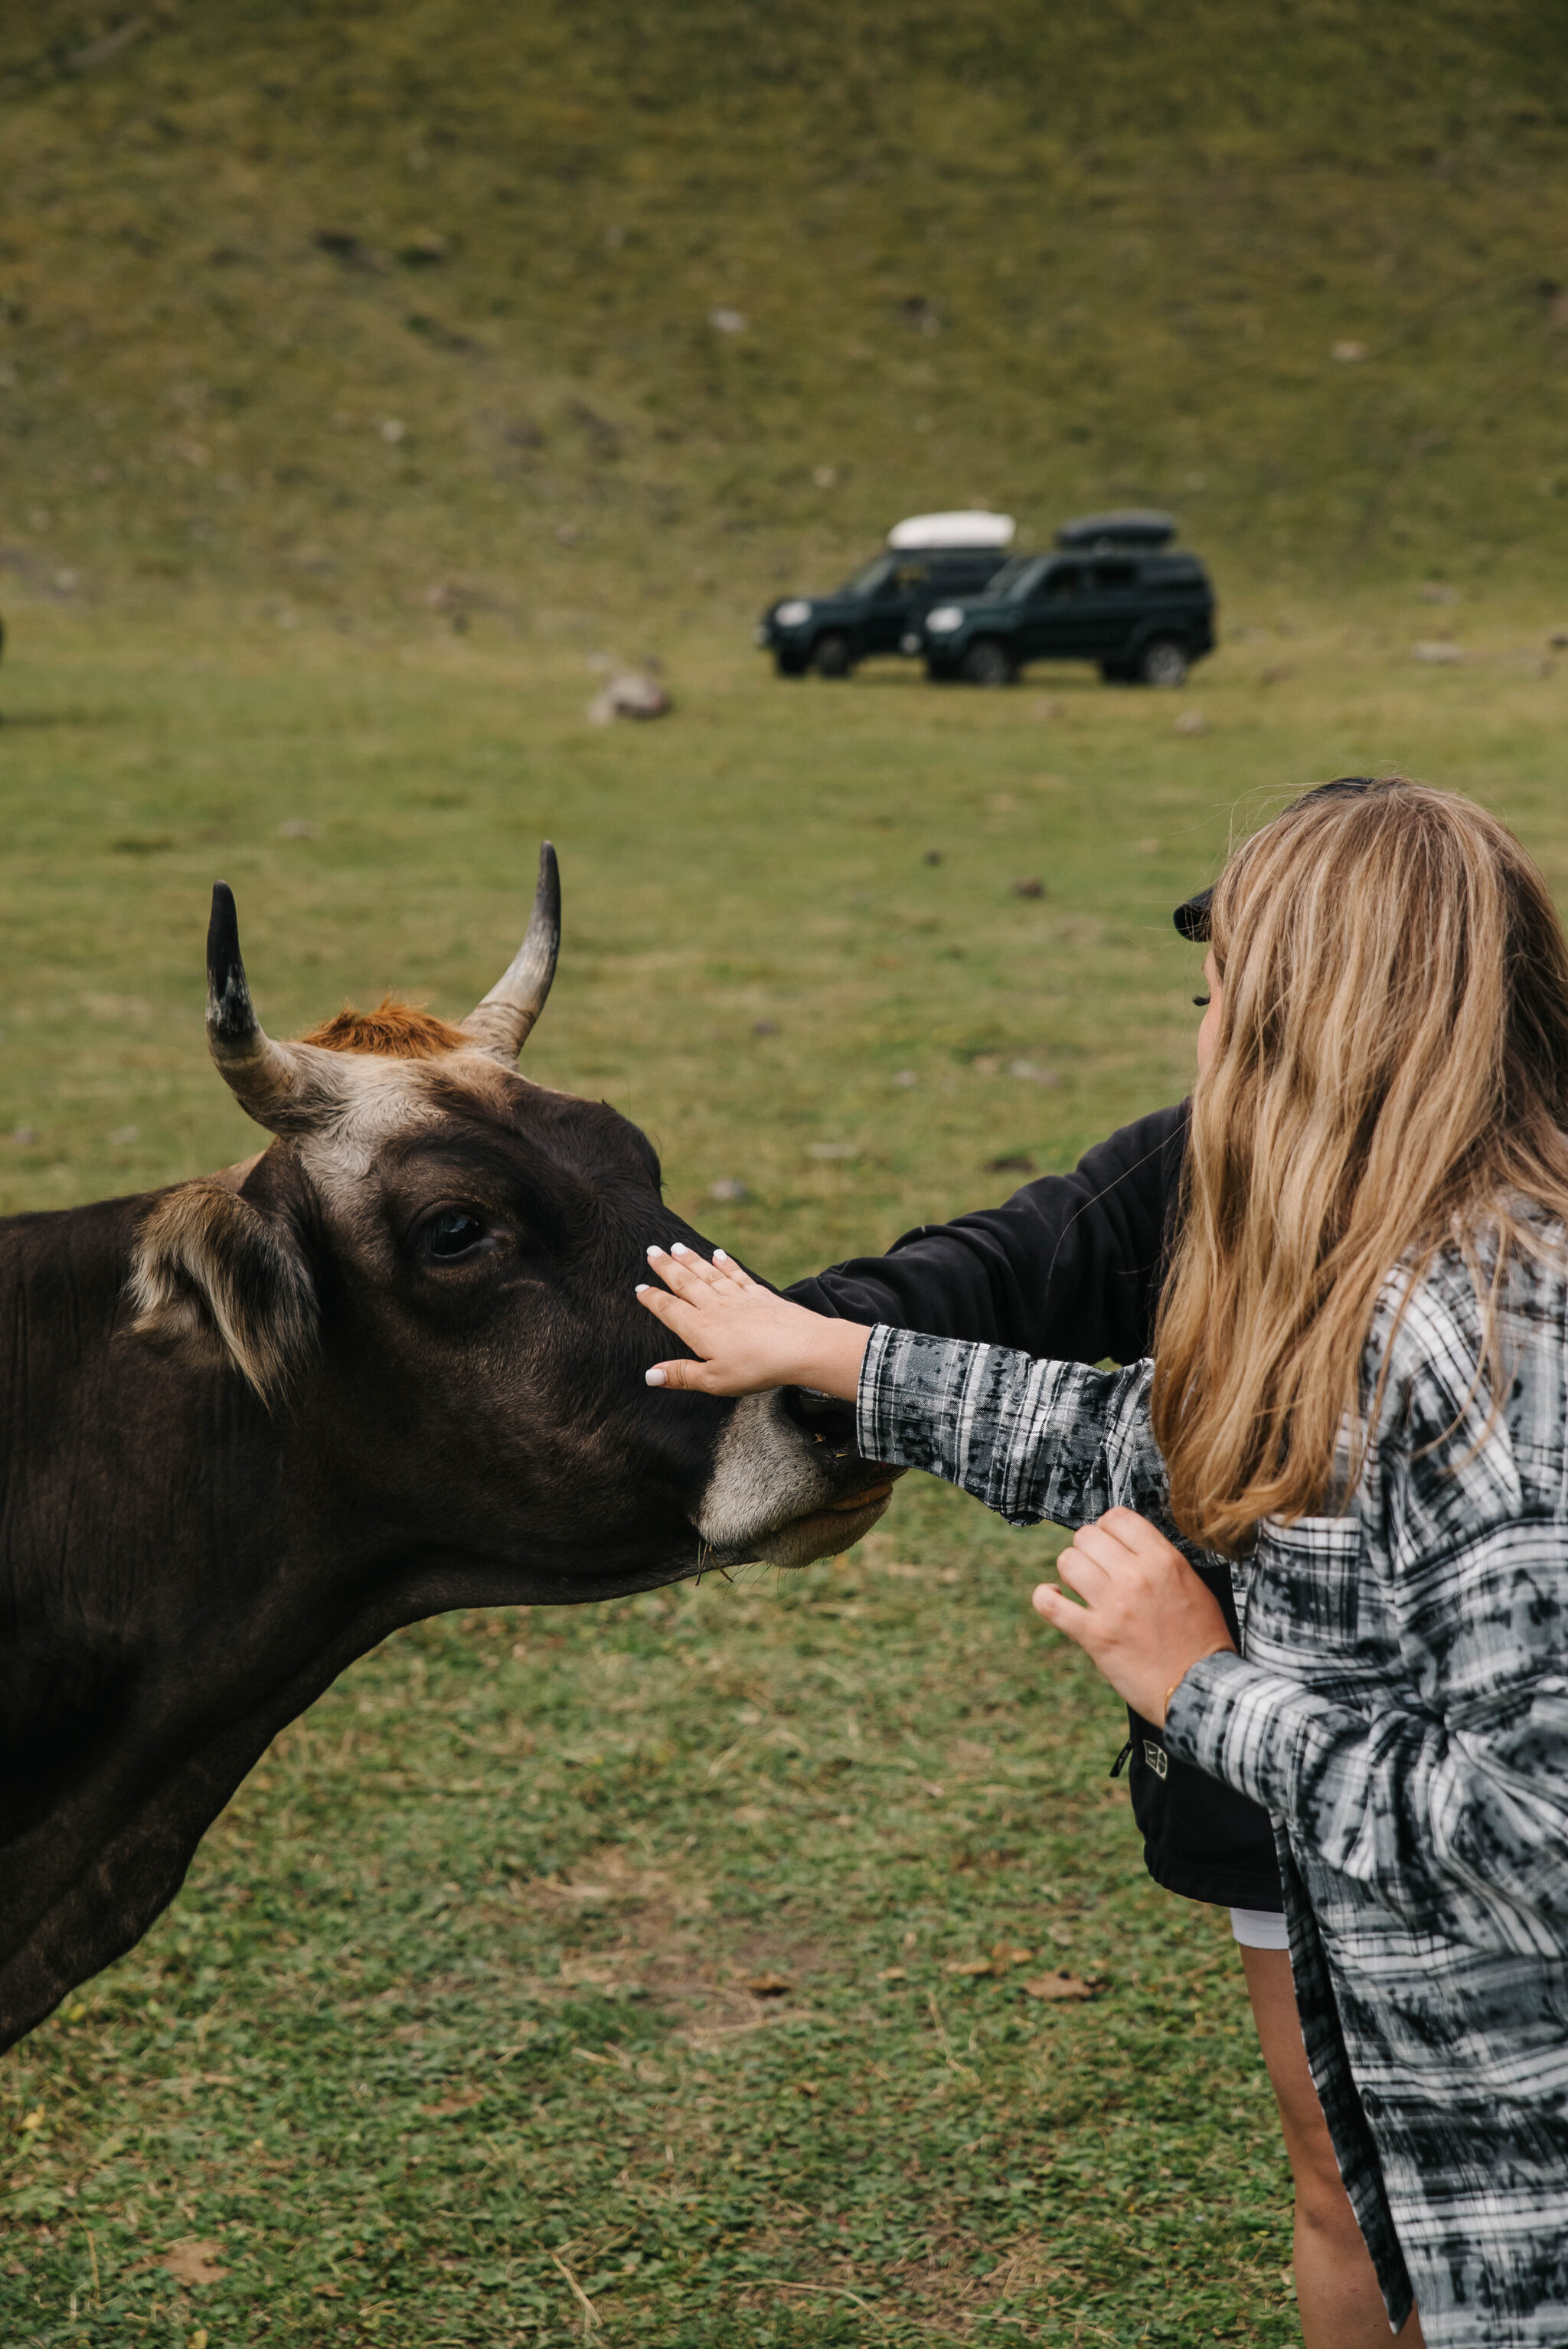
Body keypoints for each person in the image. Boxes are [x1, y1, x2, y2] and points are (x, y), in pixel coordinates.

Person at [636, 777, 1568, 2349]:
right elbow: (1154, 1435)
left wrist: (1201, 1690)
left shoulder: (1486, 1335)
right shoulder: (1391, 1264)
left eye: (1219, 1006)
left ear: (1302, 1025)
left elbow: (1536, 1837)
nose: (1197, 1047)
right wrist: (840, 1358)